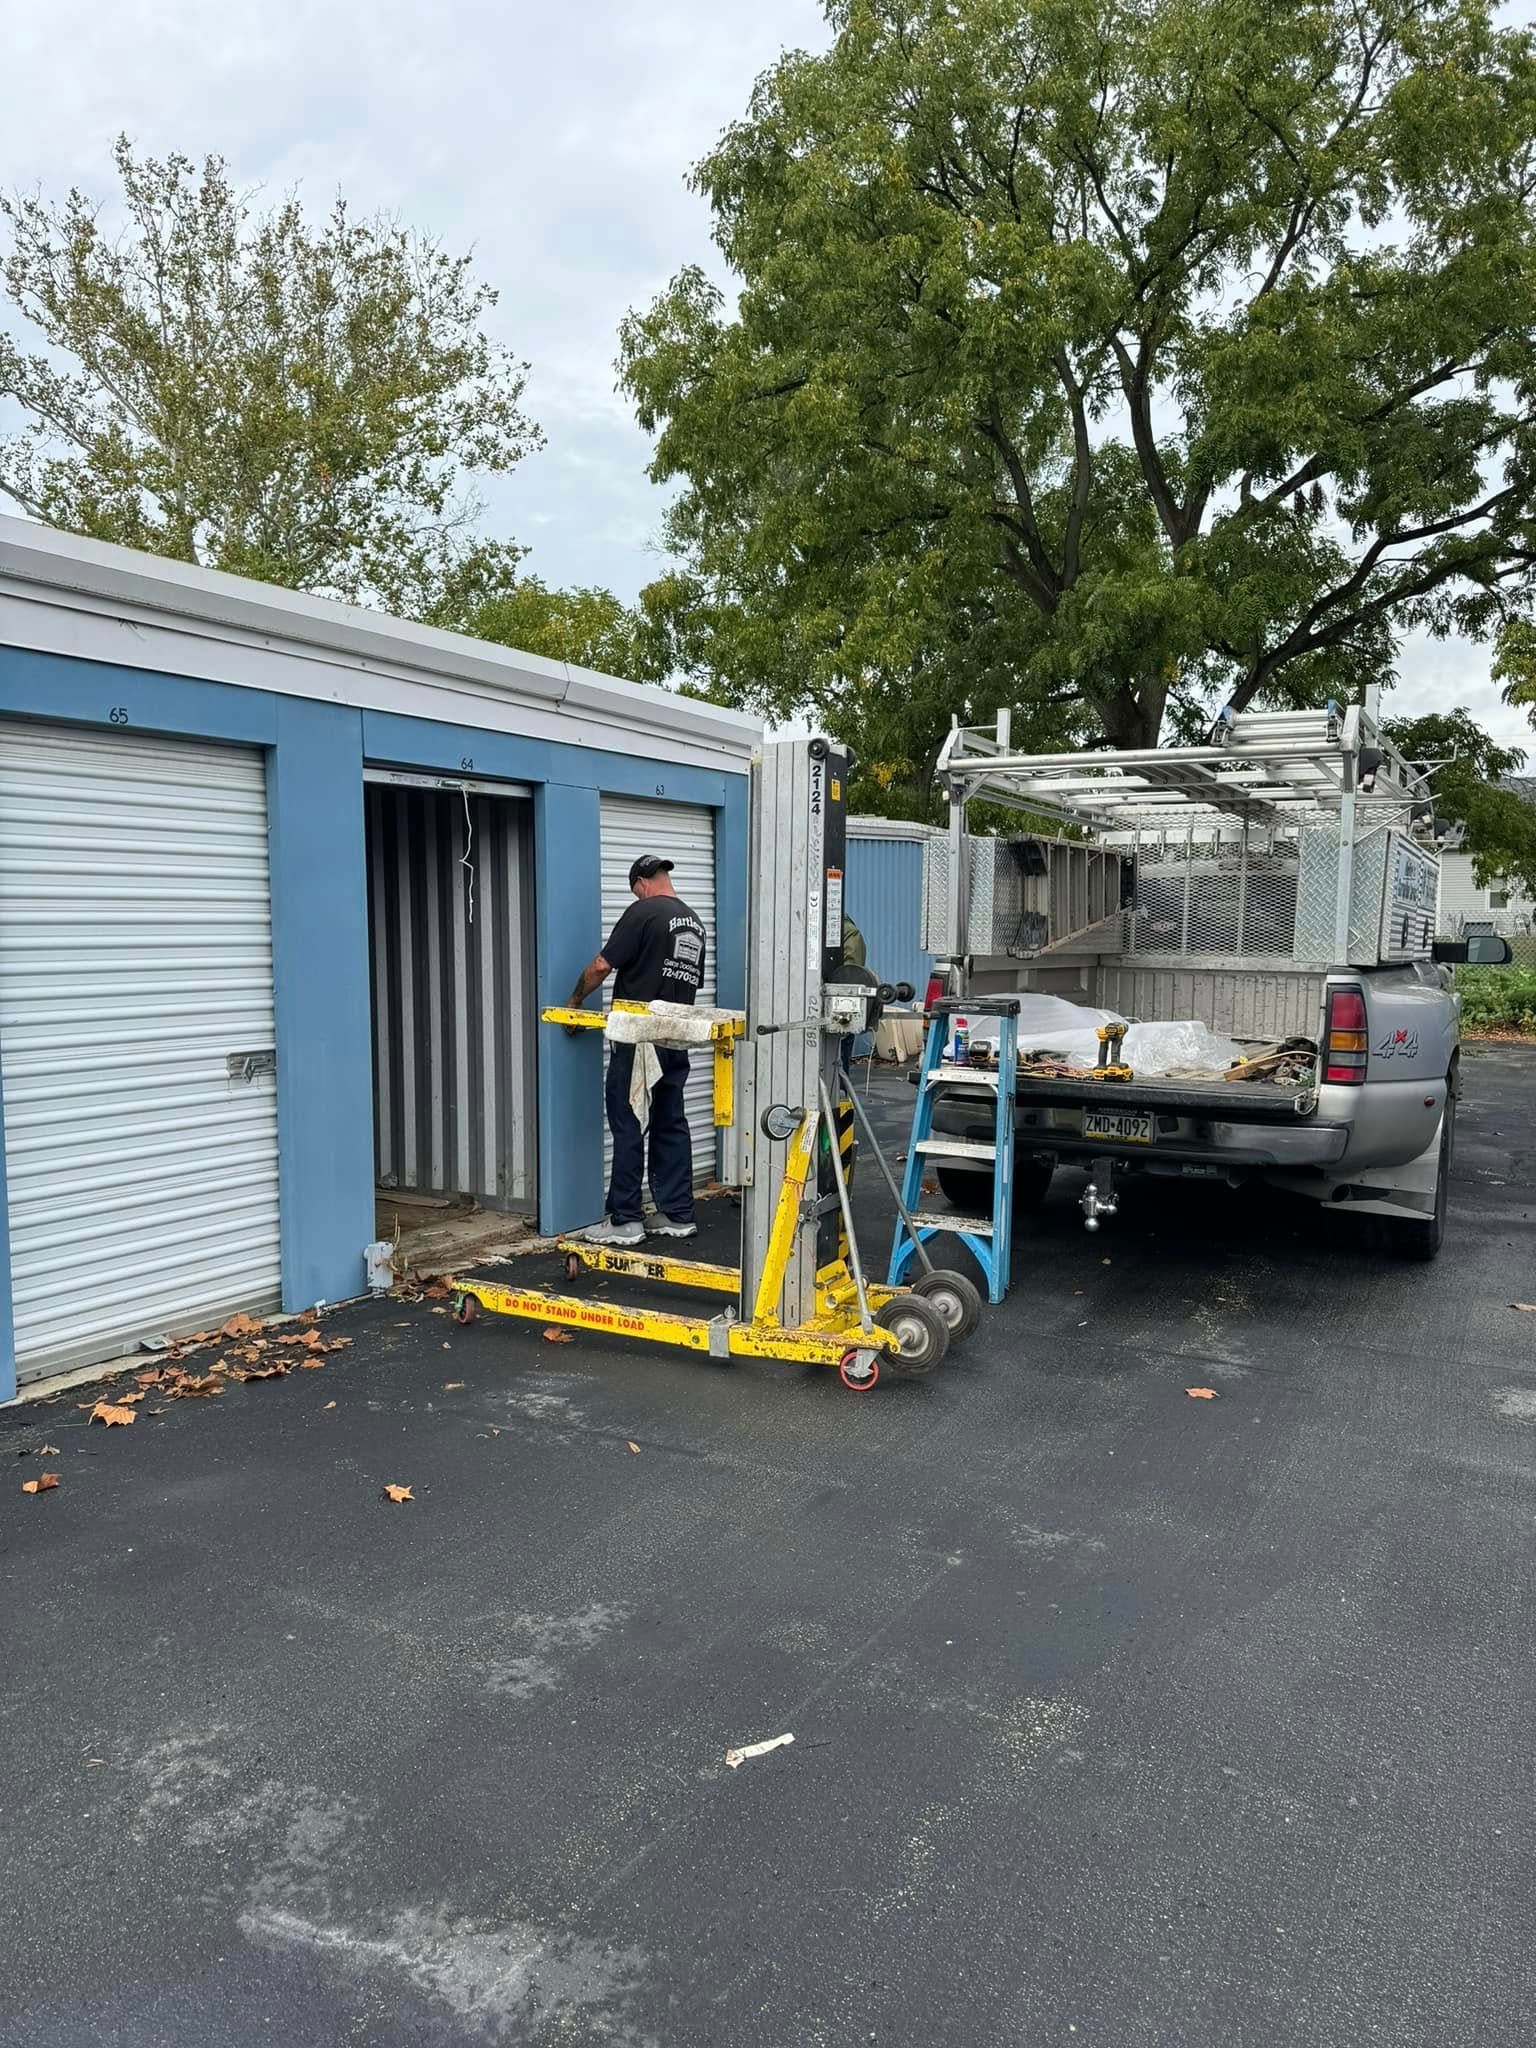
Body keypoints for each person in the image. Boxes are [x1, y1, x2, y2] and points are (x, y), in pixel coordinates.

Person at [567, 853, 708, 1246]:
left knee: (629, 1121)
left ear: (642, 882)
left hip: (639, 1037)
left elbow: (600, 965)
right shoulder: (694, 923)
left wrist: (576, 1002)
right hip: (675, 1036)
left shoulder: (643, 912)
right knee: (670, 1121)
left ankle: (625, 1218)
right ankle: (677, 1213)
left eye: (635, 890)